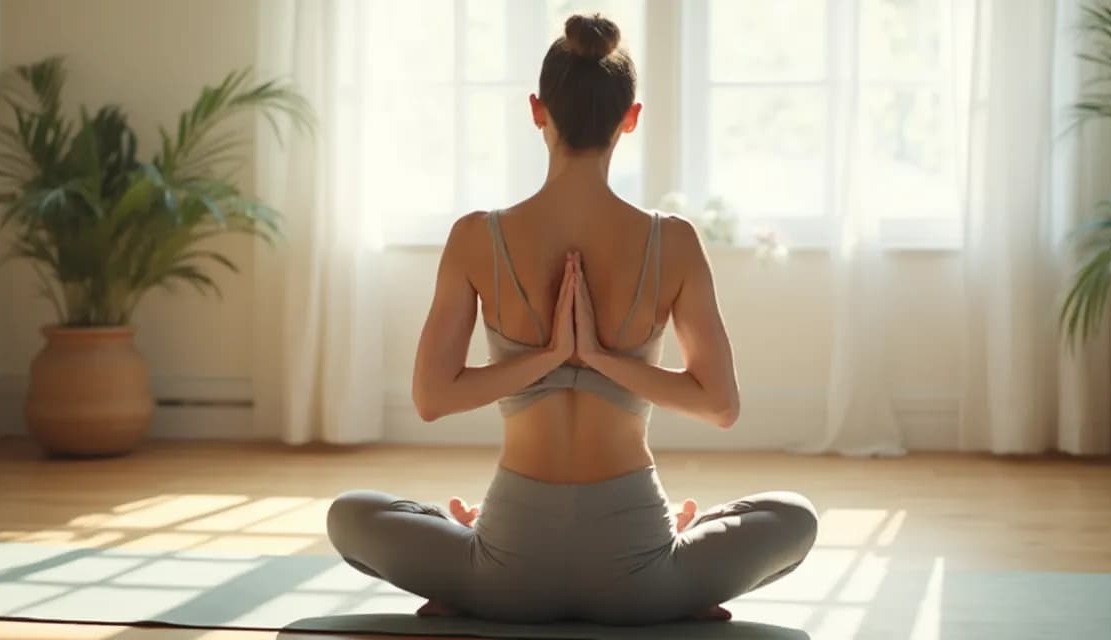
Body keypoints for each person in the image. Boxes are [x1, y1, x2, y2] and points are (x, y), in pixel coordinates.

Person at [325, 13, 818, 626]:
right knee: (795, 516)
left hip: (506, 575)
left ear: (538, 110)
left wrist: (548, 355)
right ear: (630, 117)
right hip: (640, 582)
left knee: (350, 513)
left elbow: (432, 398)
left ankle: (464, 576)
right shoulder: (676, 242)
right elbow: (720, 406)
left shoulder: (476, 237)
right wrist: (602, 357)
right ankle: (684, 564)